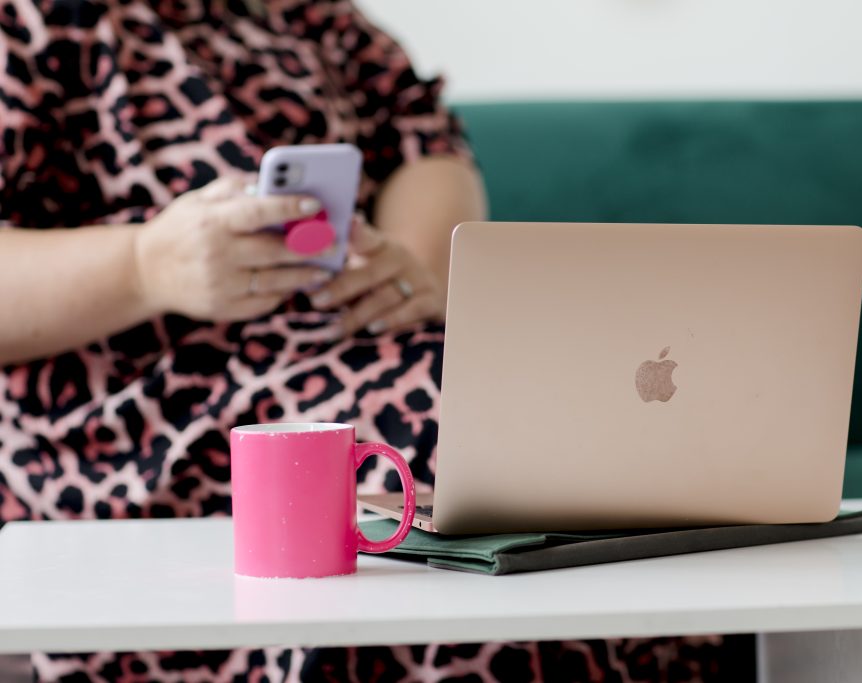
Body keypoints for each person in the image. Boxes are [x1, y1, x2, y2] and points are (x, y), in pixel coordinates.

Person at [0, 0, 725, 680]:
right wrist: (144, 266)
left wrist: (409, 269)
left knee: (545, 411)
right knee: (469, 434)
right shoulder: (31, 22)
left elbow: (424, 140)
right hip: (140, 414)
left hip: (361, 353)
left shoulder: (313, 16)